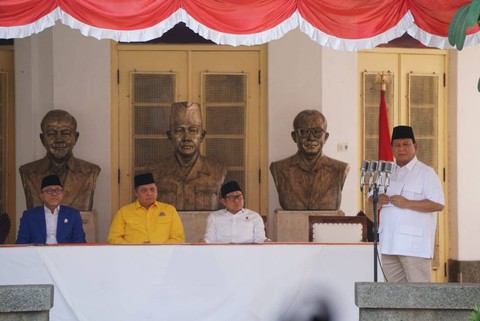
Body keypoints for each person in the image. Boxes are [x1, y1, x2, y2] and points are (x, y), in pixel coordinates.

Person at [375, 125, 444, 282]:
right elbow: (372, 198)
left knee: (418, 297)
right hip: (389, 244)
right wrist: (378, 200)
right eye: (397, 145)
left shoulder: (426, 173)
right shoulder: (386, 172)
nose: (401, 149)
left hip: (414, 247)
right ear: (392, 148)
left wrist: (408, 203)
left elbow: (438, 204)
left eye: (406, 144)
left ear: (415, 146)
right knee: (394, 297)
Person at [146, 102, 227, 211]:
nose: (187, 137)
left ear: (202, 136)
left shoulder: (218, 170)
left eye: (193, 130)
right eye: (179, 130)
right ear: (170, 136)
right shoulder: (154, 170)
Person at [19, 109, 101, 211]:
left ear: (75, 138)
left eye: (66, 133)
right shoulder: (28, 172)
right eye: (52, 133)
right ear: (42, 139)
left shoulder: (90, 172)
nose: (59, 139)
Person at [270, 110, 349, 210]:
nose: (311, 138)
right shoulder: (279, 168)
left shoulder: (340, 169)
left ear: (326, 137)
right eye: (303, 132)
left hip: (327, 225)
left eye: (317, 132)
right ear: (294, 137)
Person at [108, 173, 185, 244]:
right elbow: (113, 239)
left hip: (163, 257)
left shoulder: (169, 210)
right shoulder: (123, 212)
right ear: (136, 193)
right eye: (144, 190)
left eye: (152, 189)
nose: (149, 193)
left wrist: (158, 249)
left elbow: (178, 238)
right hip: (133, 257)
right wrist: (136, 248)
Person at [16, 174, 86, 244]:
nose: (54, 194)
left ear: (62, 194)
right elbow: (22, 242)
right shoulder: (29, 216)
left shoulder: (73, 214)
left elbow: (80, 241)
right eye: (49, 190)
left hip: (64, 253)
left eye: (58, 190)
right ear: (41, 195)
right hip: (39, 253)